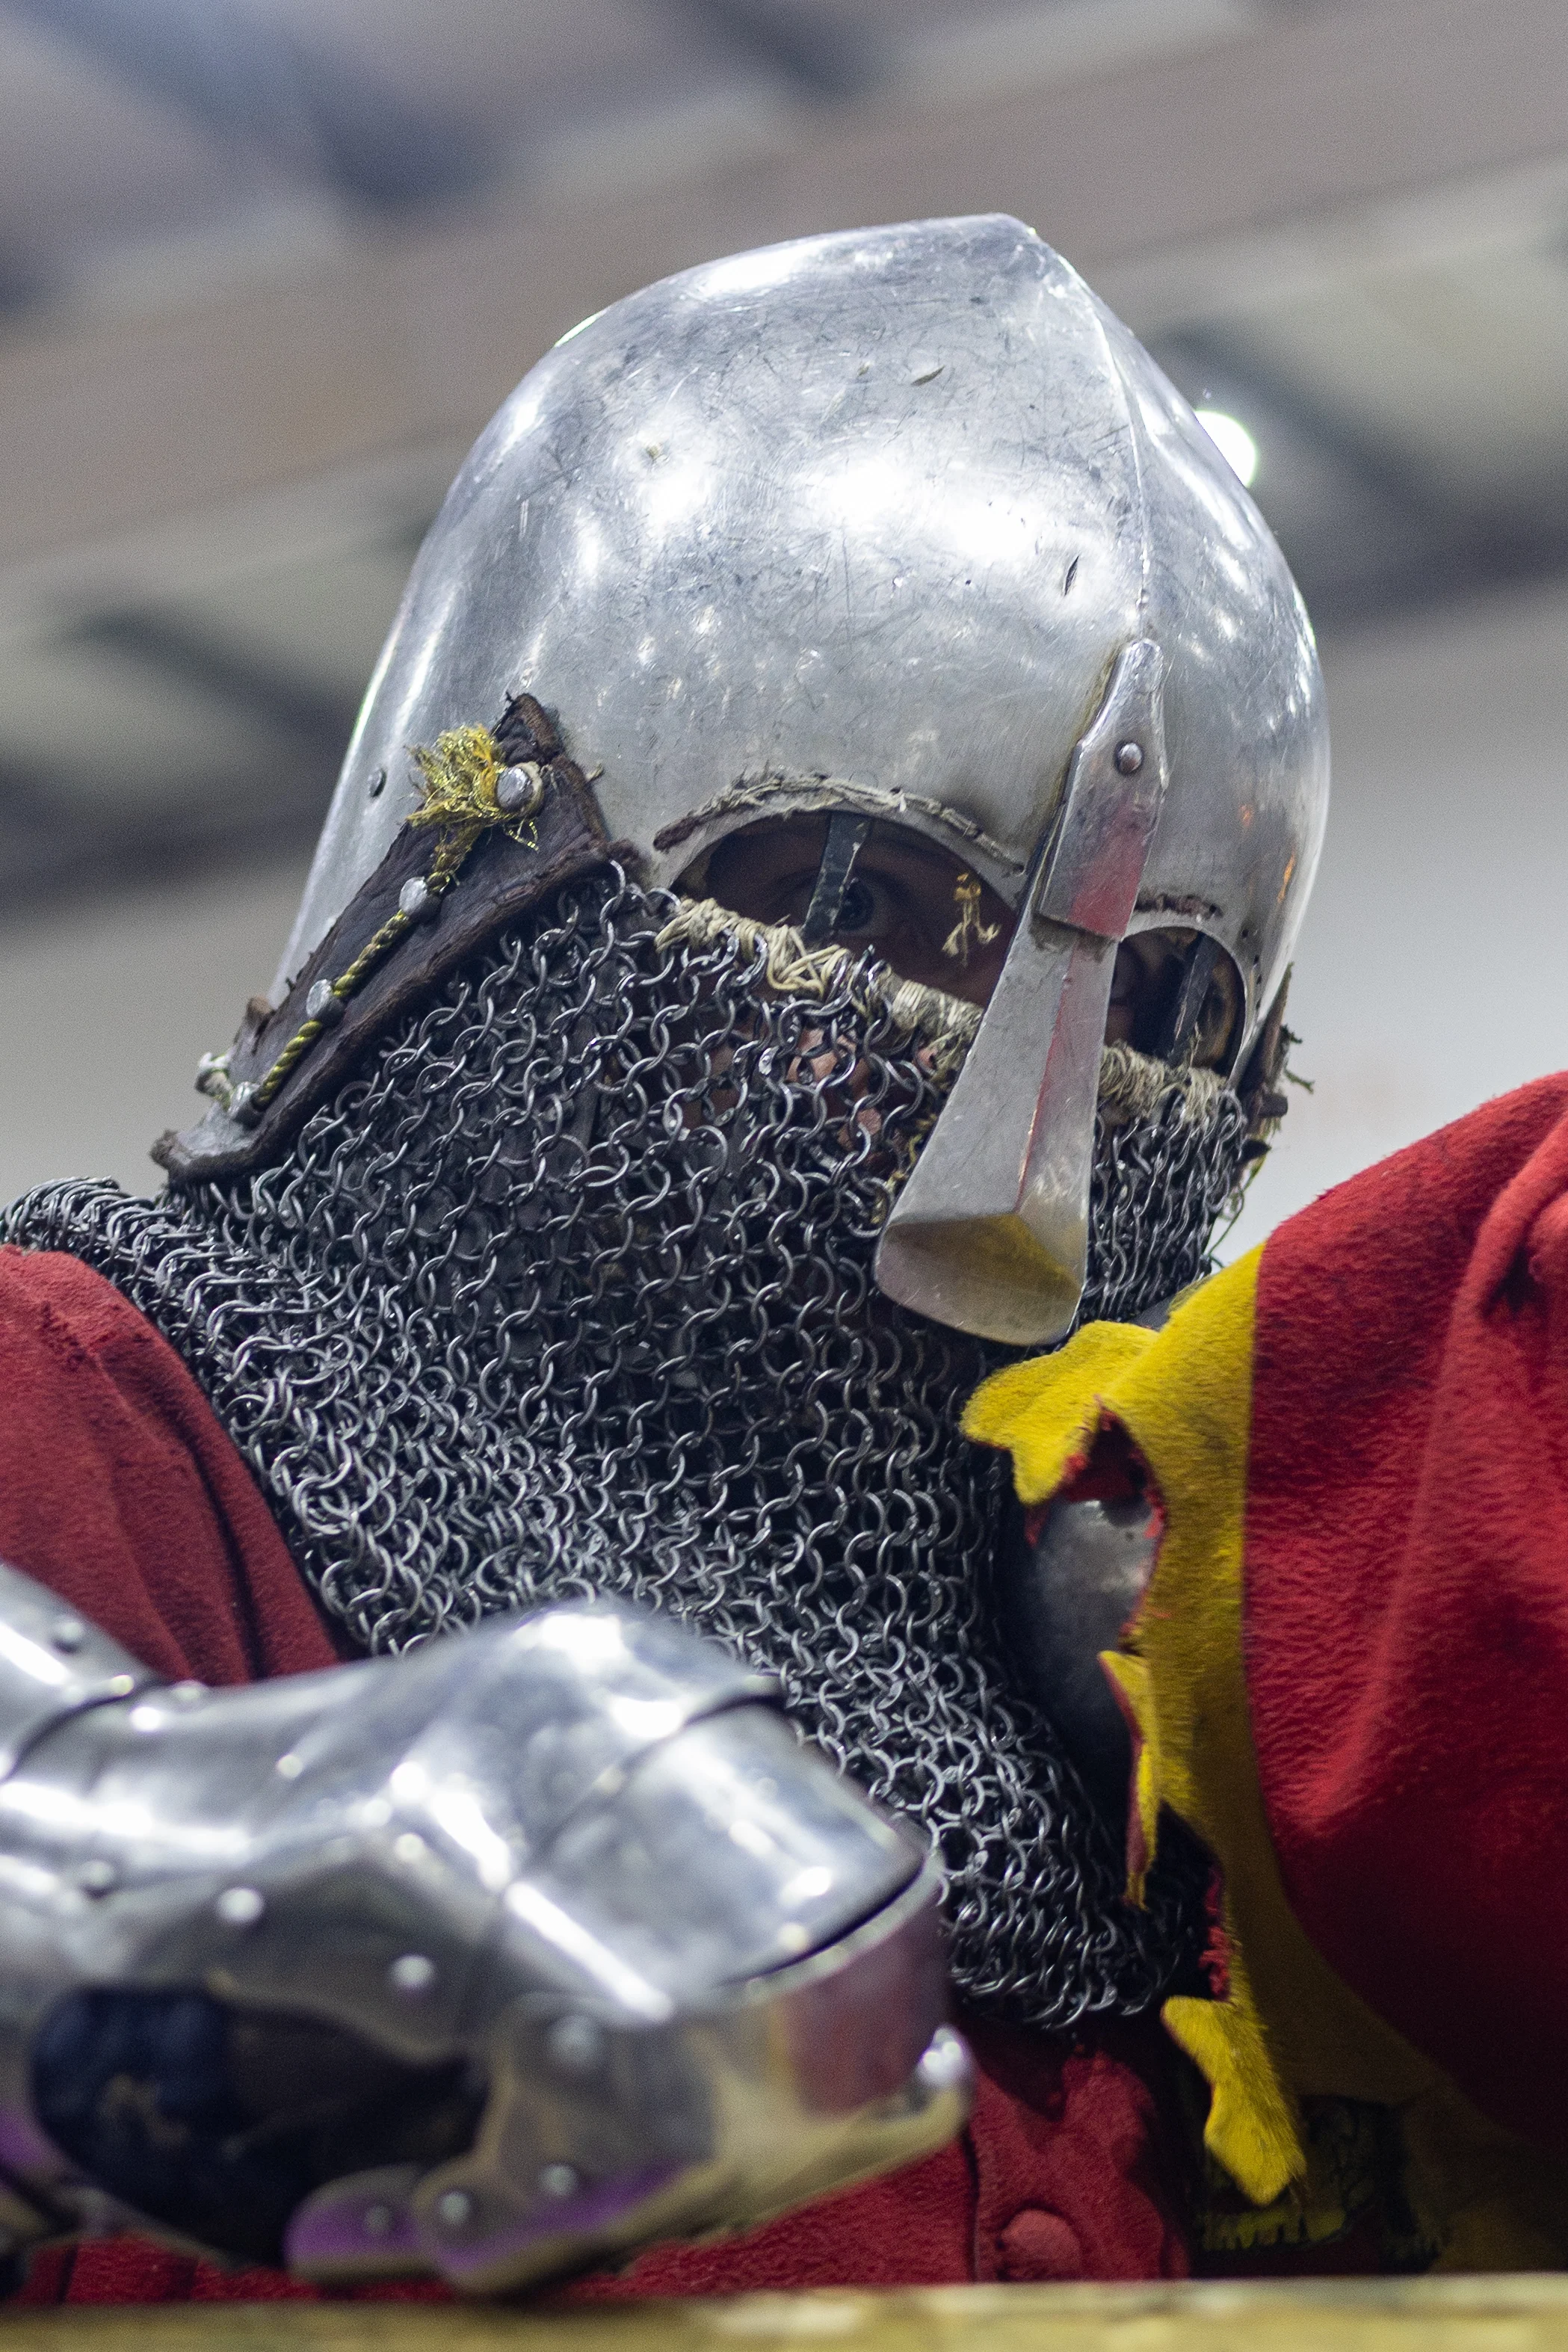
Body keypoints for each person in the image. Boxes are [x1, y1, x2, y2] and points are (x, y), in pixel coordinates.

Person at [0, 214, 1326, 2302]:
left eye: (1163, 1013)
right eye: (861, 904)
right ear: (497, 885)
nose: (1023, 1173)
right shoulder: (83, 1411)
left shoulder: (1161, 1683)